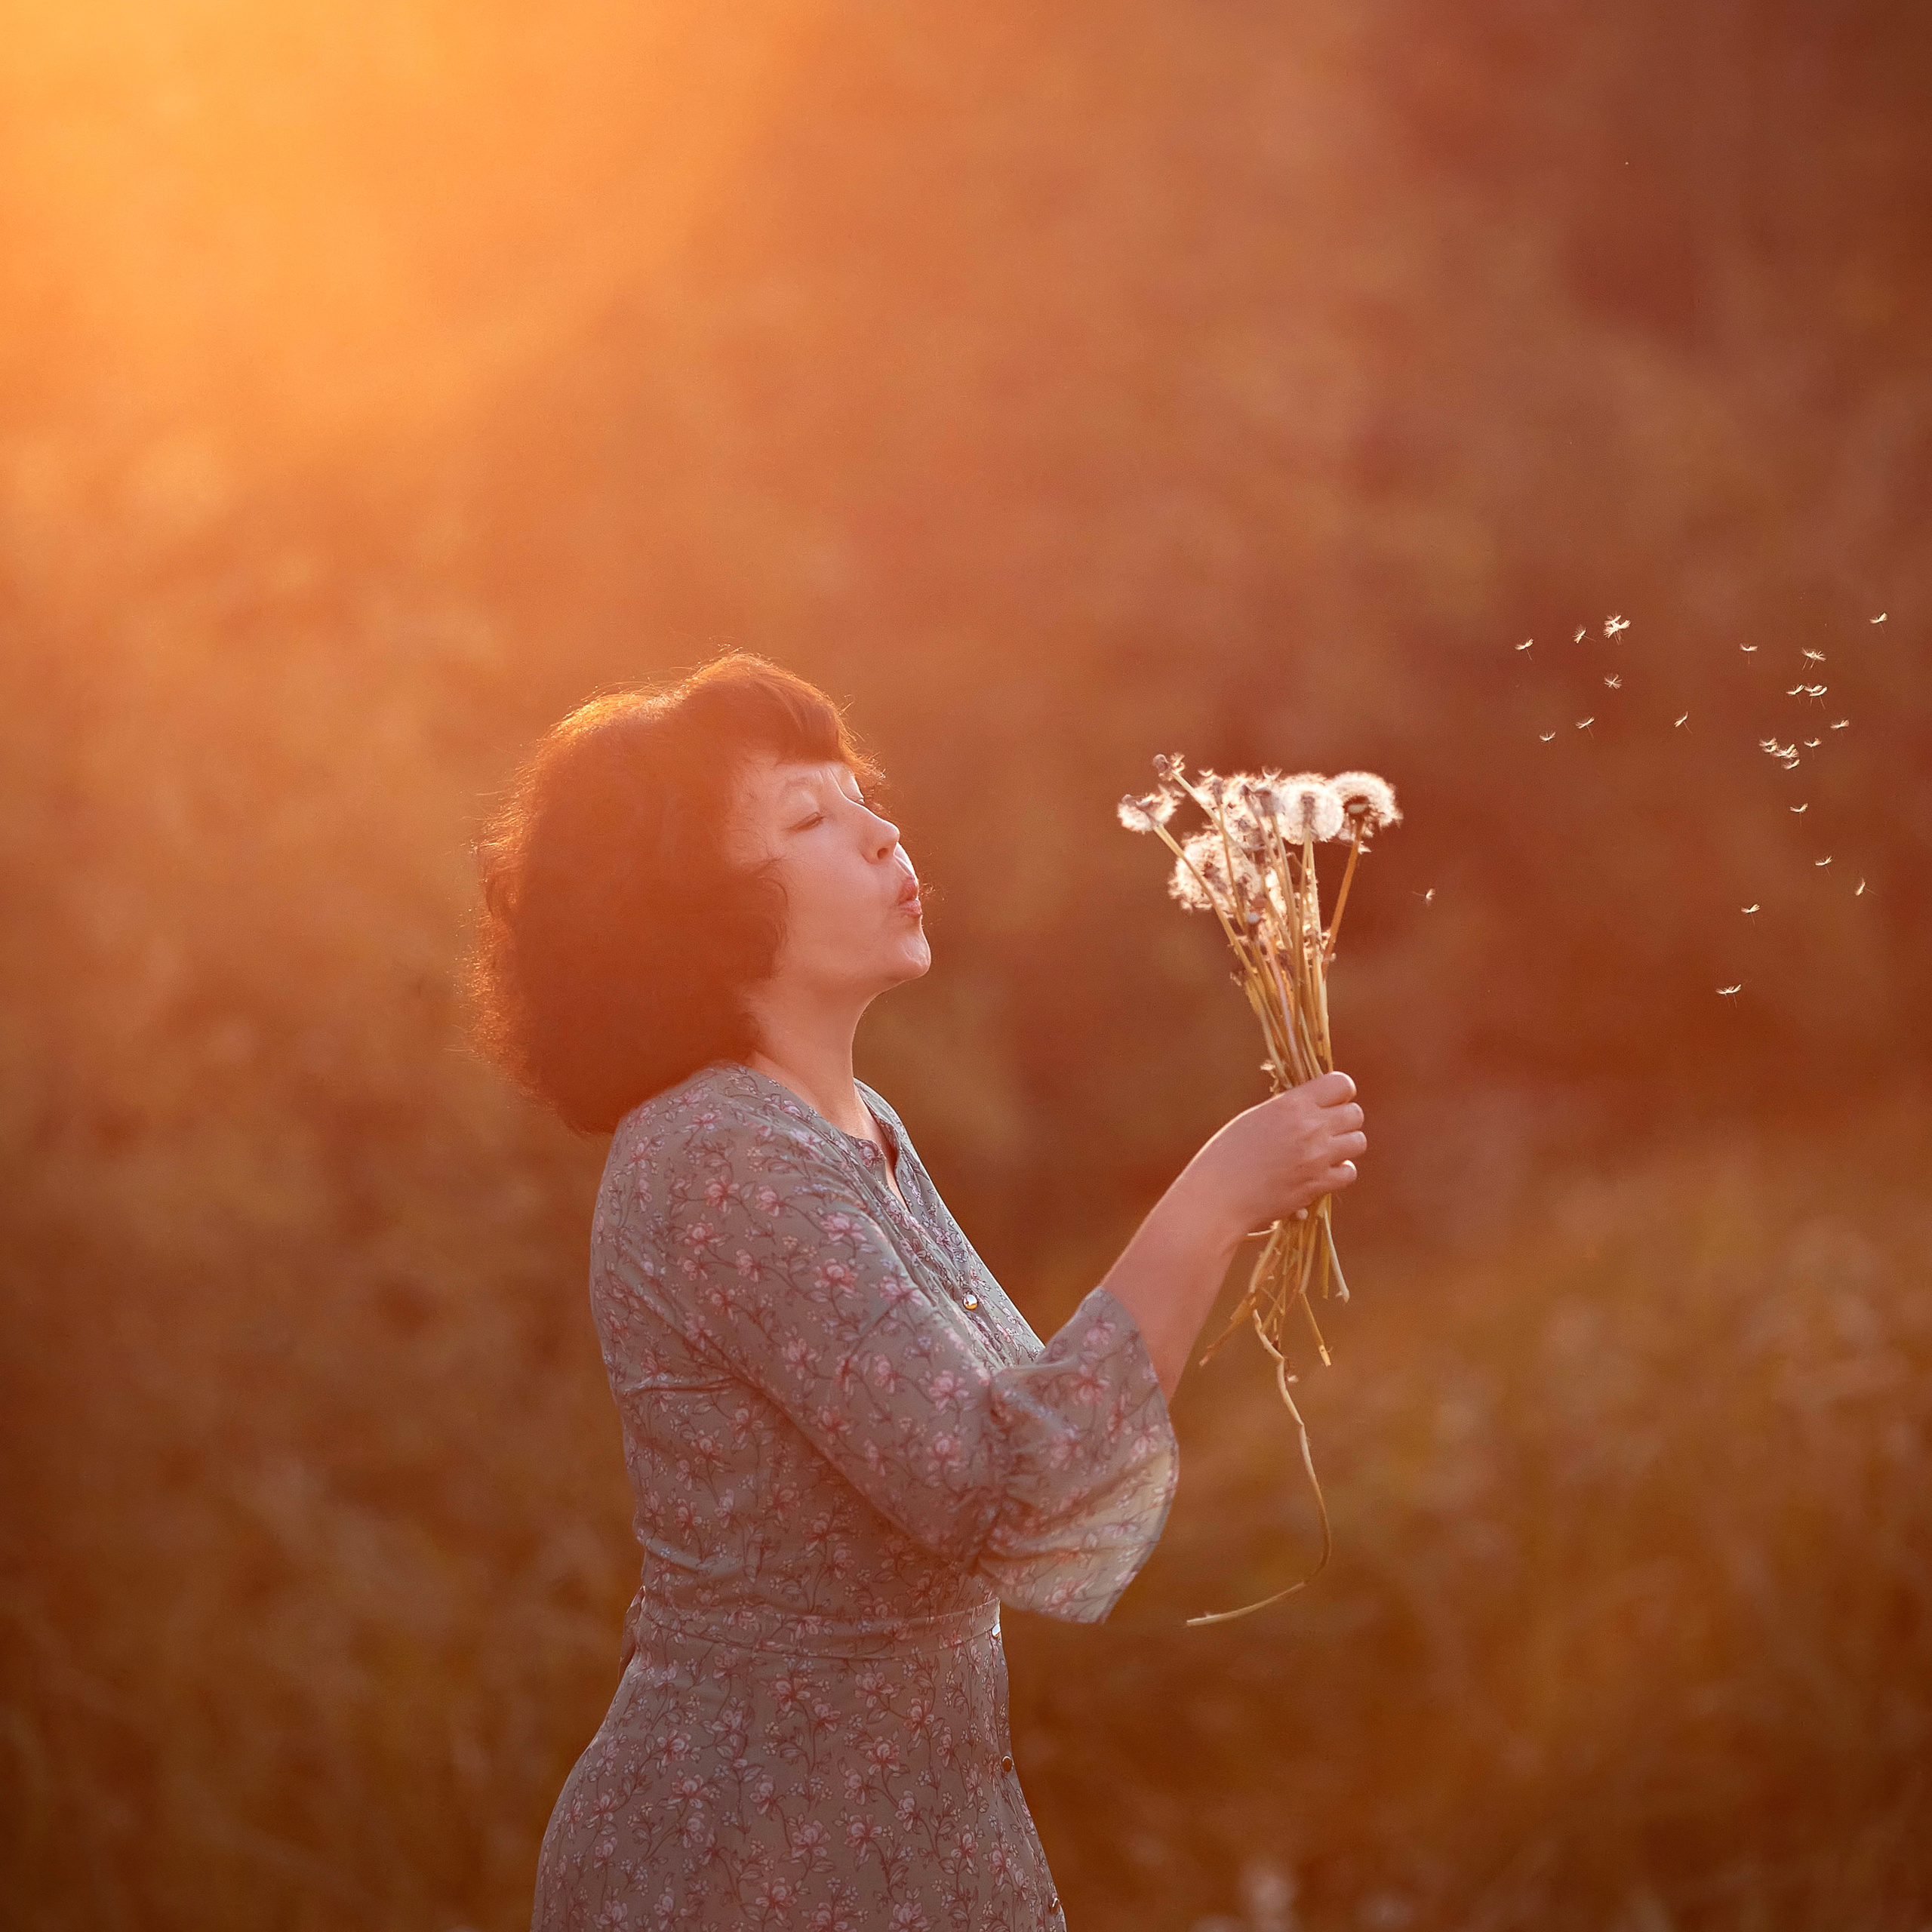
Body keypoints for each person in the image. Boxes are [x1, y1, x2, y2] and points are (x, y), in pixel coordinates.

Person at [463, 652, 1366, 1932]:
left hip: (911, 1841)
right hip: (743, 1863)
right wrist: (1212, 1203)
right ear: (694, 914)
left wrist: (1230, 1212)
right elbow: (998, 1489)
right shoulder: (718, 1156)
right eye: (808, 818)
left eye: (862, 795)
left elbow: (1031, 1449)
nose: (882, 831)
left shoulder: (853, 1124)